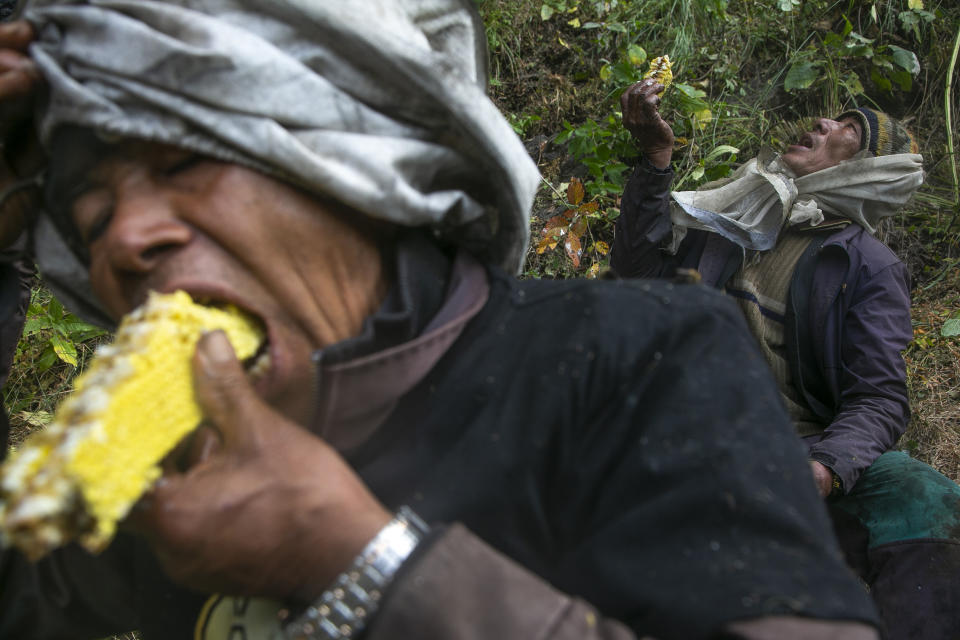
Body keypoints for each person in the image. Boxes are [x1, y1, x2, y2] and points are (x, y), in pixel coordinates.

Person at [0, 2, 886, 639]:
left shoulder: (639, 357)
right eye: (86, 216)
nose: (123, 239)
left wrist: (365, 566)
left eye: (185, 161)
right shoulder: (174, 458)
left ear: (351, 169)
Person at [611, 77, 960, 640]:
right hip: (677, 433)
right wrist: (655, 161)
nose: (823, 124)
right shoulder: (733, 220)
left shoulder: (867, 265)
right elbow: (637, 280)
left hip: (786, 453)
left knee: (924, 497)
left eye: (848, 131)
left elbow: (878, 398)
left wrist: (822, 468)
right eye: (831, 118)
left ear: (868, 172)